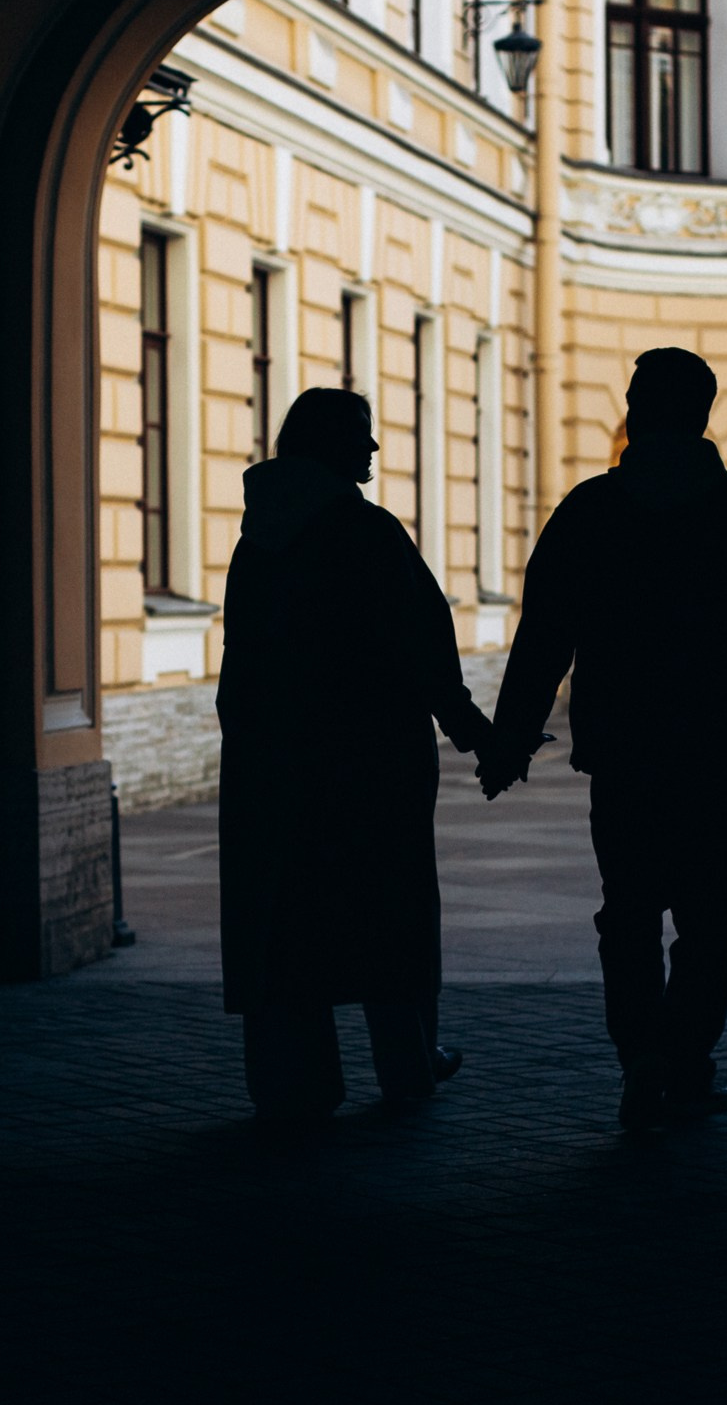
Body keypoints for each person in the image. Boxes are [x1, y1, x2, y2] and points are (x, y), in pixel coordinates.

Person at [477, 348, 727, 1130]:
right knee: (706, 925)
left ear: (635, 410)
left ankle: (640, 1060)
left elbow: (543, 640)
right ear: (703, 415)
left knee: (626, 914)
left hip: (626, 759)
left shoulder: (591, 510)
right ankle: (686, 1063)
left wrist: (511, 741)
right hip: (719, 758)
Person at [215, 388, 494, 1124]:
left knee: (284, 917)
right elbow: (423, 646)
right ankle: (409, 1066)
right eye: (362, 438)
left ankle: (294, 1081)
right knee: (391, 912)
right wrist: (476, 732)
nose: (373, 451)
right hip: (372, 762)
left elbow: (240, 662)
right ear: (335, 444)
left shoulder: (258, 539)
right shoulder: (366, 533)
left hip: (274, 762)